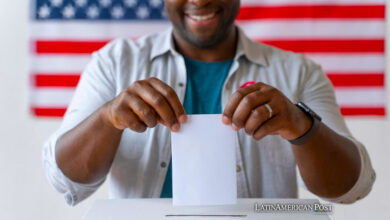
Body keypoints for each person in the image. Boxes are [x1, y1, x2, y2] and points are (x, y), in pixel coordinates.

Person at [42, 0, 375, 206]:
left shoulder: (297, 72)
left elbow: (350, 188)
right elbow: (63, 179)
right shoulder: (114, 64)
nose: (200, 0)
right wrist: (107, 118)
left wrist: (300, 125)